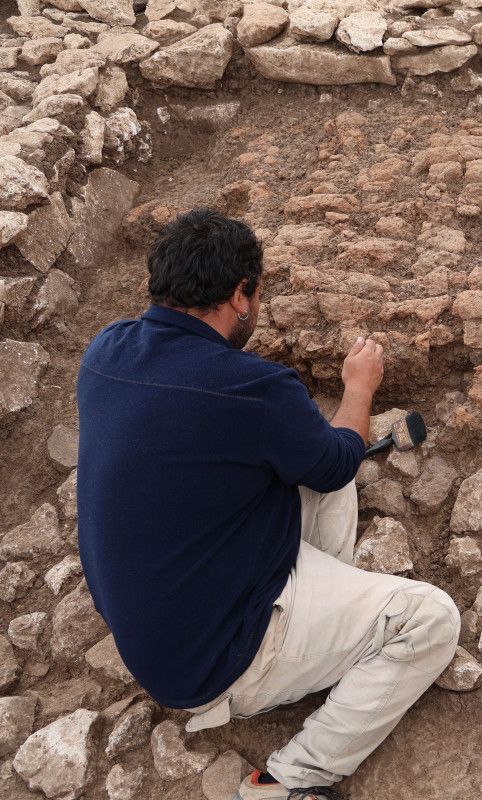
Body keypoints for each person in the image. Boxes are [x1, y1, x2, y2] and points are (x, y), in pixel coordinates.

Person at [77, 208, 461, 800]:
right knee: (430, 618)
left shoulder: (105, 352)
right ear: (240, 294)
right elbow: (339, 460)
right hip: (215, 663)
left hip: (156, 636)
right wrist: (359, 388)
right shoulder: (252, 389)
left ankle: (326, 628)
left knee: (307, 464)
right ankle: (289, 779)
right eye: (257, 293)